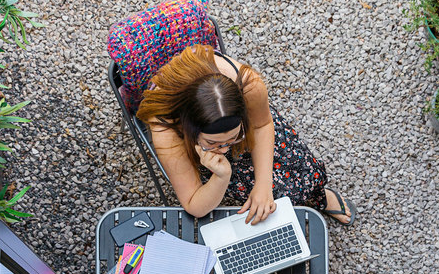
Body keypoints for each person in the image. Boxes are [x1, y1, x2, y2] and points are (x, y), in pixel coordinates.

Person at [136, 44, 354, 226]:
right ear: (188, 130)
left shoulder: (249, 85)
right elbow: (194, 204)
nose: (224, 150)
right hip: (201, 148)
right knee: (258, 200)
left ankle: (320, 198)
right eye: (213, 142)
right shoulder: (165, 125)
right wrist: (221, 176)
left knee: (303, 170)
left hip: (244, 131)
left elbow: (262, 125)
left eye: (233, 138)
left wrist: (263, 185)